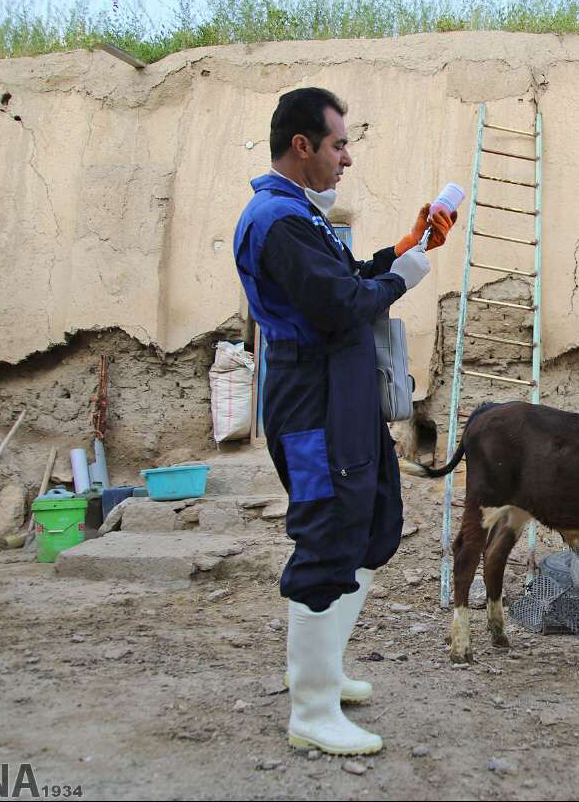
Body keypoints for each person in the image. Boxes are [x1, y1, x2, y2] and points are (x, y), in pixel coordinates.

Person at [233, 87, 456, 755]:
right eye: (338, 144)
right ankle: (311, 708)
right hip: (314, 402)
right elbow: (338, 305)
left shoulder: (301, 215)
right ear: (302, 146)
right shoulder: (277, 220)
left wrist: (405, 247)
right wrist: (407, 277)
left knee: (372, 525)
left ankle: (325, 669)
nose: (347, 158)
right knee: (328, 536)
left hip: (345, 397)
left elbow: (350, 277)